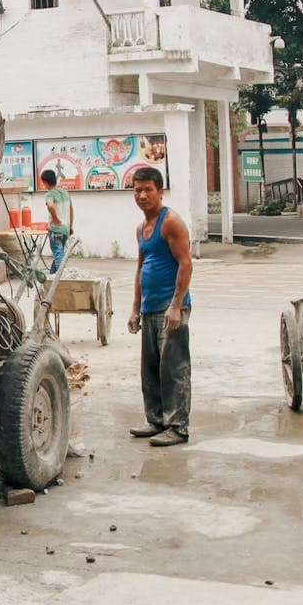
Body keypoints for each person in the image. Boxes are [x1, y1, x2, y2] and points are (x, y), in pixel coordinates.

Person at [126, 167, 192, 447]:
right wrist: (135, 309)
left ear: (160, 191)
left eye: (147, 190)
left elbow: (186, 264)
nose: (141, 195)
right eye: (137, 190)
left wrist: (176, 306)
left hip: (170, 307)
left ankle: (178, 426)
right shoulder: (142, 228)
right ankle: (156, 420)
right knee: (150, 368)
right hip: (150, 307)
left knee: (173, 367)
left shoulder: (171, 222)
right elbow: (141, 268)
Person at [41, 169, 74, 274]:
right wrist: (71, 226)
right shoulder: (65, 193)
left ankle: (61, 276)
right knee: (59, 254)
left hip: (55, 229)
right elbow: (71, 210)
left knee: (58, 254)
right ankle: (52, 276)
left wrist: (55, 219)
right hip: (65, 229)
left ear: (45, 182)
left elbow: (50, 206)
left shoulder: (50, 194)